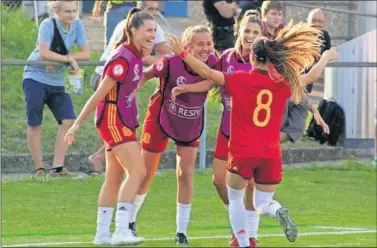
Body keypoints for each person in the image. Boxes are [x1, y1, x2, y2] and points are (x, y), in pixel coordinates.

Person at [171, 13, 338, 247]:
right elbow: (311, 76)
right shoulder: (281, 84)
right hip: (270, 152)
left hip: (243, 151)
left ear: (253, 58)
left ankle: (242, 241)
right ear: (271, 61)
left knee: (236, 197)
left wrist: (183, 53)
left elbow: (208, 74)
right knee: (262, 203)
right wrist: (326, 56)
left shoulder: (239, 79)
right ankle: (276, 209)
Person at [64, 8, 156, 246]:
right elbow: (99, 94)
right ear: (133, 30)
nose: (153, 35)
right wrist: (76, 124)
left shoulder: (135, 55)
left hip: (123, 118)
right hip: (113, 119)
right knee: (138, 171)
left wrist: (154, 69)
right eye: (148, 30)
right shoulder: (122, 57)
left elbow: (135, 80)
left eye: (154, 30)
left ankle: (102, 234)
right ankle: (121, 230)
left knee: (114, 176)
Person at [128, 25, 218, 245]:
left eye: (209, 44)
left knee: (185, 173)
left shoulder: (214, 63)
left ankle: (181, 231)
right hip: (160, 117)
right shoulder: (170, 61)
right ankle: (128, 222)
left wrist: (186, 89)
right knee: (146, 172)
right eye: (200, 44)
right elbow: (147, 75)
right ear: (187, 45)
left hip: (189, 121)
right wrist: (131, 90)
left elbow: (211, 81)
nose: (206, 48)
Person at [87, 0, 170, 175]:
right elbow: (157, 56)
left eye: (156, 9)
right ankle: (108, 160)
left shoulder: (149, 26)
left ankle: (109, 161)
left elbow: (165, 54)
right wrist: (156, 60)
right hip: (111, 76)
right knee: (122, 122)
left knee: (127, 121)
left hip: (125, 78)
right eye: (150, 9)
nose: (154, 13)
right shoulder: (134, 25)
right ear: (140, 10)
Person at [22, 0, 89, 177]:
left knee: (69, 120)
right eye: (67, 11)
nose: (72, 15)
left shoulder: (77, 25)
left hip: (59, 80)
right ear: (57, 12)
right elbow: (44, 53)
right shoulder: (47, 24)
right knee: (34, 122)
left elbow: (86, 53)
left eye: (74, 11)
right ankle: (39, 168)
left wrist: (67, 58)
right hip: (35, 76)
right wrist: (67, 59)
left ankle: (57, 167)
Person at [305, 8, 331, 93]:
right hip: (294, 81)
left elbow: (327, 55)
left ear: (324, 24)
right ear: (307, 21)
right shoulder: (299, 34)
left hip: (309, 81)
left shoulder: (325, 36)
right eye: (313, 20)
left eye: (320, 21)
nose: (316, 24)